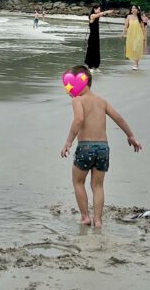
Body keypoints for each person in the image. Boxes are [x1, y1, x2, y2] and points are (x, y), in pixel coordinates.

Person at [60, 64, 142, 227]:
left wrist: (68, 141)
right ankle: (98, 220)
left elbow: (79, 120)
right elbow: (118, 117)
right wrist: (130, 135)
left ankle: (85, 217)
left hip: (86, 147)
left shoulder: (78, 100)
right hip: (103, 148)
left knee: (78, 181)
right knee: (97, 185)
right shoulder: (102, 101)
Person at [123, 5, 145, 70]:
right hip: (131, 35)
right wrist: (123, 33)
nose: (134, 9)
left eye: (135, 8)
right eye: (133, 8)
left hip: (138, 35)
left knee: (136, 48)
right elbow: (126, 25)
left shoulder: (139, 18)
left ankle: (135, 64)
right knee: (133, 49)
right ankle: (137, 64)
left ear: (137, 10)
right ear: (131, 10)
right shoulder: (128, 17)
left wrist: (144, 37)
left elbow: (142, 27)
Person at [85, 5, 105, 69]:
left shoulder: (97, 16)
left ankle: (96, 65)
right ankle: (90, 66)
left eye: (100, 9)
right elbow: (99, 14)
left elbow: (100, 14)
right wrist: (107, 11)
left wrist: (105, 13)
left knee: (96, 50)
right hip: (92, 37)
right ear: (94, 9)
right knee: (91, 50)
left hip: (96, 36)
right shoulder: (92, 15)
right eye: (98, 9)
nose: (99, 11)